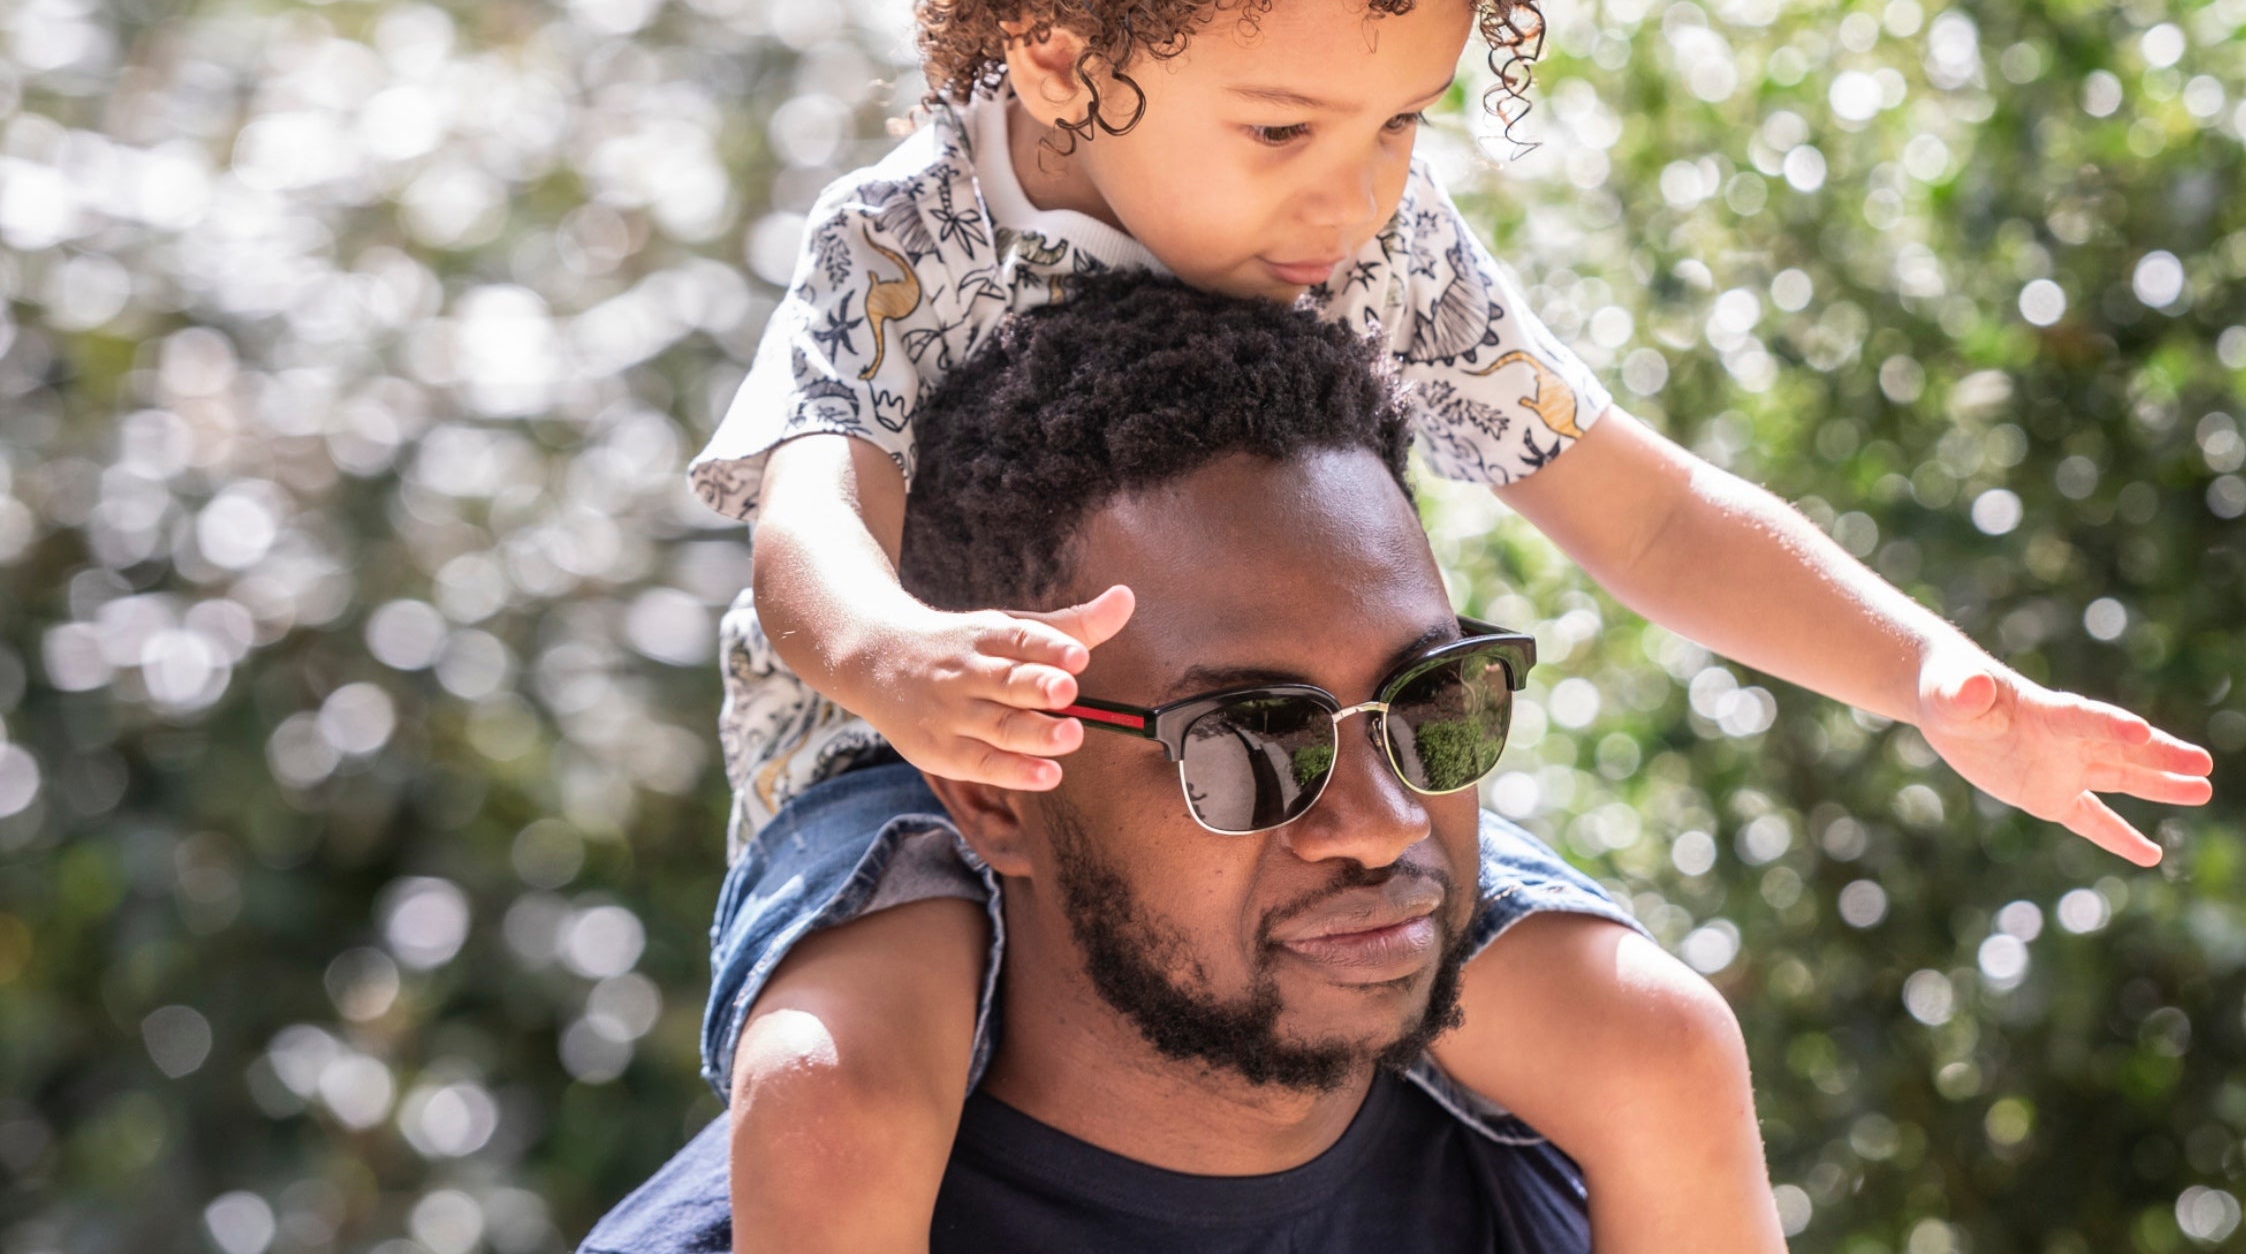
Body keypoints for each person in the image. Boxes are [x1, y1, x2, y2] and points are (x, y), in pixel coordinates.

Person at [688, 0, 2217, 1251]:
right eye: (1283, 129)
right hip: (902, 770)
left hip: (1300, 779)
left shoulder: (1383, 252)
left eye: (1403, 122)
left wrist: (1929, 679)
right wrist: (899, 659)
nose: (1350, 196)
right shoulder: (899, 242)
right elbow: (806, 541)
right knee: (835, 1092)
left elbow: (1652, 515)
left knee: (1659, 1037)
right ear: (1065, 56)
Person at [587, 275, 1622, 1252]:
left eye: (1430, 699)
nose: (1384, 818)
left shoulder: (1601, 1176)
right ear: (995, 793)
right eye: (1253, 743)